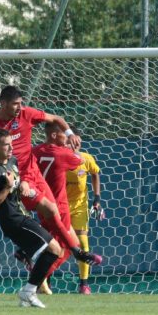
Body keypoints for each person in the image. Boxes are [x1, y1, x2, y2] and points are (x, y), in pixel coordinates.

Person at [0, 85, 101, 267]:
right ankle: (75, 252)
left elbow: (57, 118)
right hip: (18, 178)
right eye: (15, 104)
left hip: (34, 172)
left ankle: (33, 252)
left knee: (53, 212)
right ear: (2, 103)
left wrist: (70, 134)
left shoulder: (26, 114)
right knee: (45, 213)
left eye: (21, 103)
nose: (19, 107)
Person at [0, 128, 65, 308]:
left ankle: (29, 291)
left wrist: (23, 186)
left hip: (22, 215)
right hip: (13, 220)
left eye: (11, 144)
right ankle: (29, 291)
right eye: (6, 145)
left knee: (51, 251)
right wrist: (7, 188)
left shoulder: (11, 162)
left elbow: (2, 192)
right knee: (55, 249)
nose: (11, 148)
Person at [32, 122, 84, 294]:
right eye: (65, 134)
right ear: (54, 135)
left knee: (67, 243)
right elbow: (79, 160)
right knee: (67, 246)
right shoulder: (62, 153)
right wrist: (74, 147)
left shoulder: (36, 151)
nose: (68, 137)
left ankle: (39, 274)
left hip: (41, 204)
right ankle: (38, 278)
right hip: (59, 207)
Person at [65, 125, 104, 295]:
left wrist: (97, 199)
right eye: (70, 142)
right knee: (54, 246)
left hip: (80, 207)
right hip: (59, 206)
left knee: (82, 242)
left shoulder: (86, 159)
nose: (74, 146)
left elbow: (95, 174)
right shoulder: (57, 158)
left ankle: (84, 284)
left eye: (78, 143)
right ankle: (45, 282)